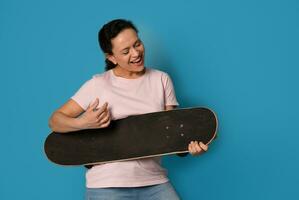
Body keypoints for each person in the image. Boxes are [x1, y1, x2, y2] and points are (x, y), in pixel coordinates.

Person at [49, 19, 209, 200]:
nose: (136, 53)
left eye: (137, 44)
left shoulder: (161, 80)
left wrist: (189, 149)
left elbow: (169, 136)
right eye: (125, 51)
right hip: (107, 185)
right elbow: (55, 121)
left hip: (154, 181)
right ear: (111, 57)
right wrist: (83, 122)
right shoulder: (98, 85)